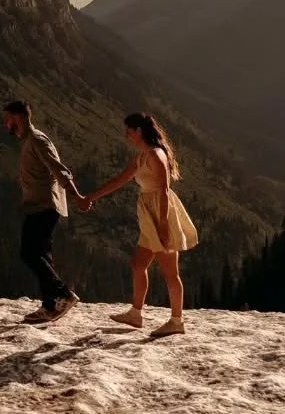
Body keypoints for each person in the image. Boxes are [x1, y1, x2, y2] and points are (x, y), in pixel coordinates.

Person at [78, 112, 198, 338]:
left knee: (170, 271)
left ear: (139, 131)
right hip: (150, 216)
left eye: (129, 132)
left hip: (160, 214)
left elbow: (163, 189)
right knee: (138, 264)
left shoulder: (155, 155)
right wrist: (91, 197)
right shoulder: (143, 156)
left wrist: (163, 224)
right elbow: (120, 180)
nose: (127, 136)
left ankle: (176, 321)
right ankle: (136, 313)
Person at [2, 100, 87, 323]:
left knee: (29, 253)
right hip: (37, 206)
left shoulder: (37, 140)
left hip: (44, 206)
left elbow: (58, 168)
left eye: (8, 119)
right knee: (42, 256)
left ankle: (63, 294)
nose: (5, 124)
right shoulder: (29, 141)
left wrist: (76, 195)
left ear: (19, 118)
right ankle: (50, 307)